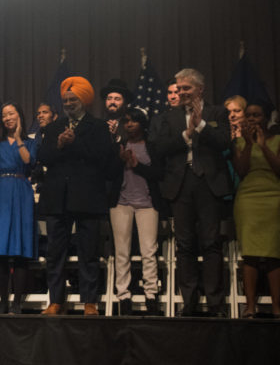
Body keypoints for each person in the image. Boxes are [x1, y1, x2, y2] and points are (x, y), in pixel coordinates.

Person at [156, 68, 232, 317]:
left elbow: (223, 143)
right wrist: (185, 135)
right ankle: (188, 302)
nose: (181, 93)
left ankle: (214, 303)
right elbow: (161, 148)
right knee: (184, 245)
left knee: (211, 244)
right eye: (179, 88)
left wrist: (200, 125)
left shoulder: (217, 112)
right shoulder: (169, 117)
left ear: (200, 89)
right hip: (181, 185)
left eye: (186, 88)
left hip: (208, 184)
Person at [38, 76, 112, 316]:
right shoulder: (52, 128)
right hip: (57, 199)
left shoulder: (99, 127)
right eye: (65, 100)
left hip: (87, 199)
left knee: (88, 252)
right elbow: (44, 158)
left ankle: (89, 301)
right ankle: (55, 301)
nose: (68, 104)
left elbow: (103, 160)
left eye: (73, 99)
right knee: (54, 253)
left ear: (84, 100)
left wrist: (75, 142)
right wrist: (59, 145)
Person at [0, 102, 38, 314]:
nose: (7, 118)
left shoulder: (30, 142)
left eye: (11, 113)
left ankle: (17, 303)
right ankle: (3, 301)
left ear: (19, 116)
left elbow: (29, 162)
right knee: (0, 251)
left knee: (20, 249)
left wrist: (20, 137)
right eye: (4, 115)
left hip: (20, 191)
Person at [109, 108, 163, 316]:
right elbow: (109, 173)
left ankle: (151, 296)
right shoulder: (119, 145)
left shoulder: (152, 145)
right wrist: (120, 159)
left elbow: (159, 173)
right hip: (121, 203)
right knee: (122, 252)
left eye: (133, 121)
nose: (129, 125)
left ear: (142, 123)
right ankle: (124, 297)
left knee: (148, 251)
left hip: (147, 203)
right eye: (126, 121)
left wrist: (136, 165)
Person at [232, 102, 280, 318]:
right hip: (248, 199)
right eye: (249, 115)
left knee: (274, 253)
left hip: (274, 198)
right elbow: (241, 170)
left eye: (257, 115)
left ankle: (277, 306)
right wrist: (250, 144)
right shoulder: (240, 142)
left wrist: (263, 145)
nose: (252, 119)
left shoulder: (277, 139)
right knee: (249, 253)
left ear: (267, 117)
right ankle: (250, 306)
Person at [100, 78, 134, 143]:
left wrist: (116, 137)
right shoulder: (99, 124)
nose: (112, 102)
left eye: (117, 99)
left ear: (125, 102)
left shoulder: (131, 124)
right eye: (109, 98)